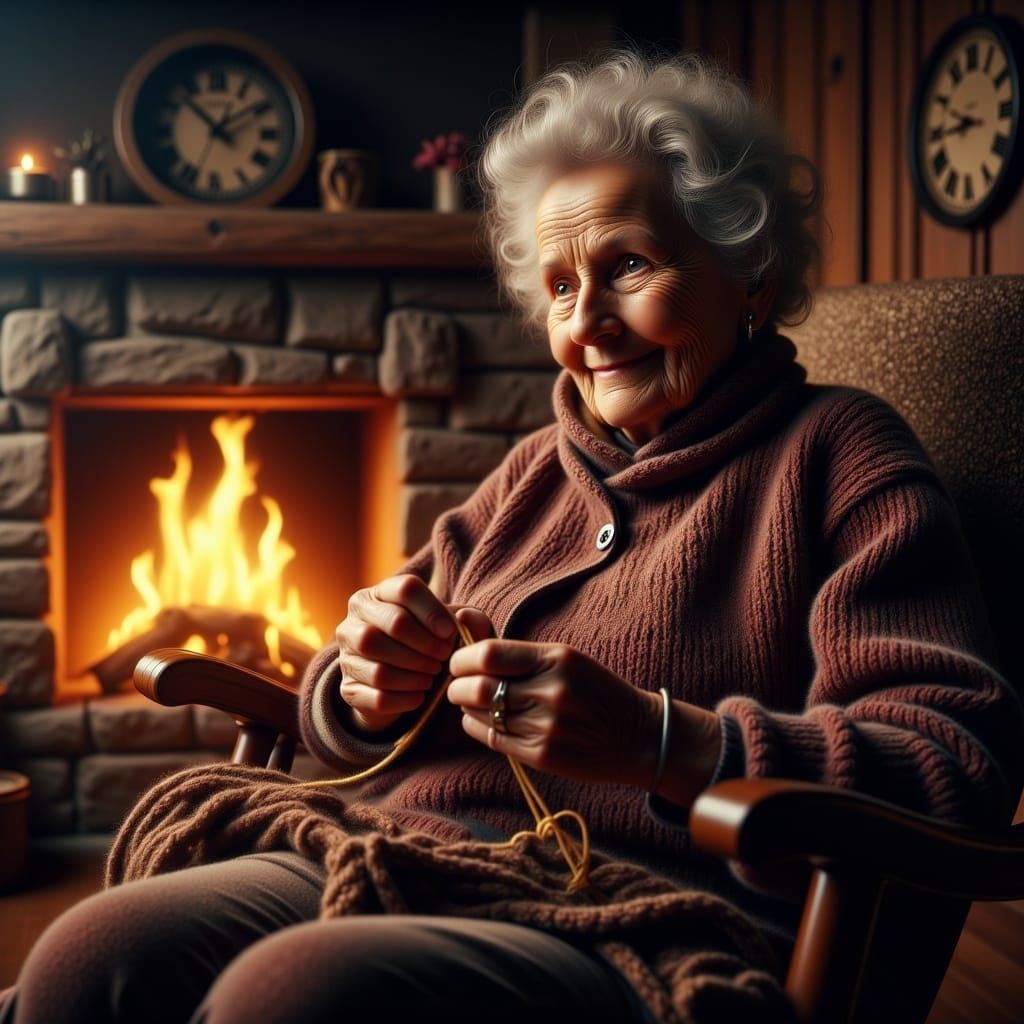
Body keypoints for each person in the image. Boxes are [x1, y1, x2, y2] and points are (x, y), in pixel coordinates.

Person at [3, 52, 1021, 1024]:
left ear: (748, 271)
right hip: (398, 846)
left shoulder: (840, 453)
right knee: (92, 951)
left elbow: (949, 760)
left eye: (628, 265)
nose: (588, 323)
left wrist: (661, 743)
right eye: (562, 287)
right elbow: (342, 691)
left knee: (291, 993)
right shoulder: (537, 467)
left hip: (638, 912)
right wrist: (361, 686)